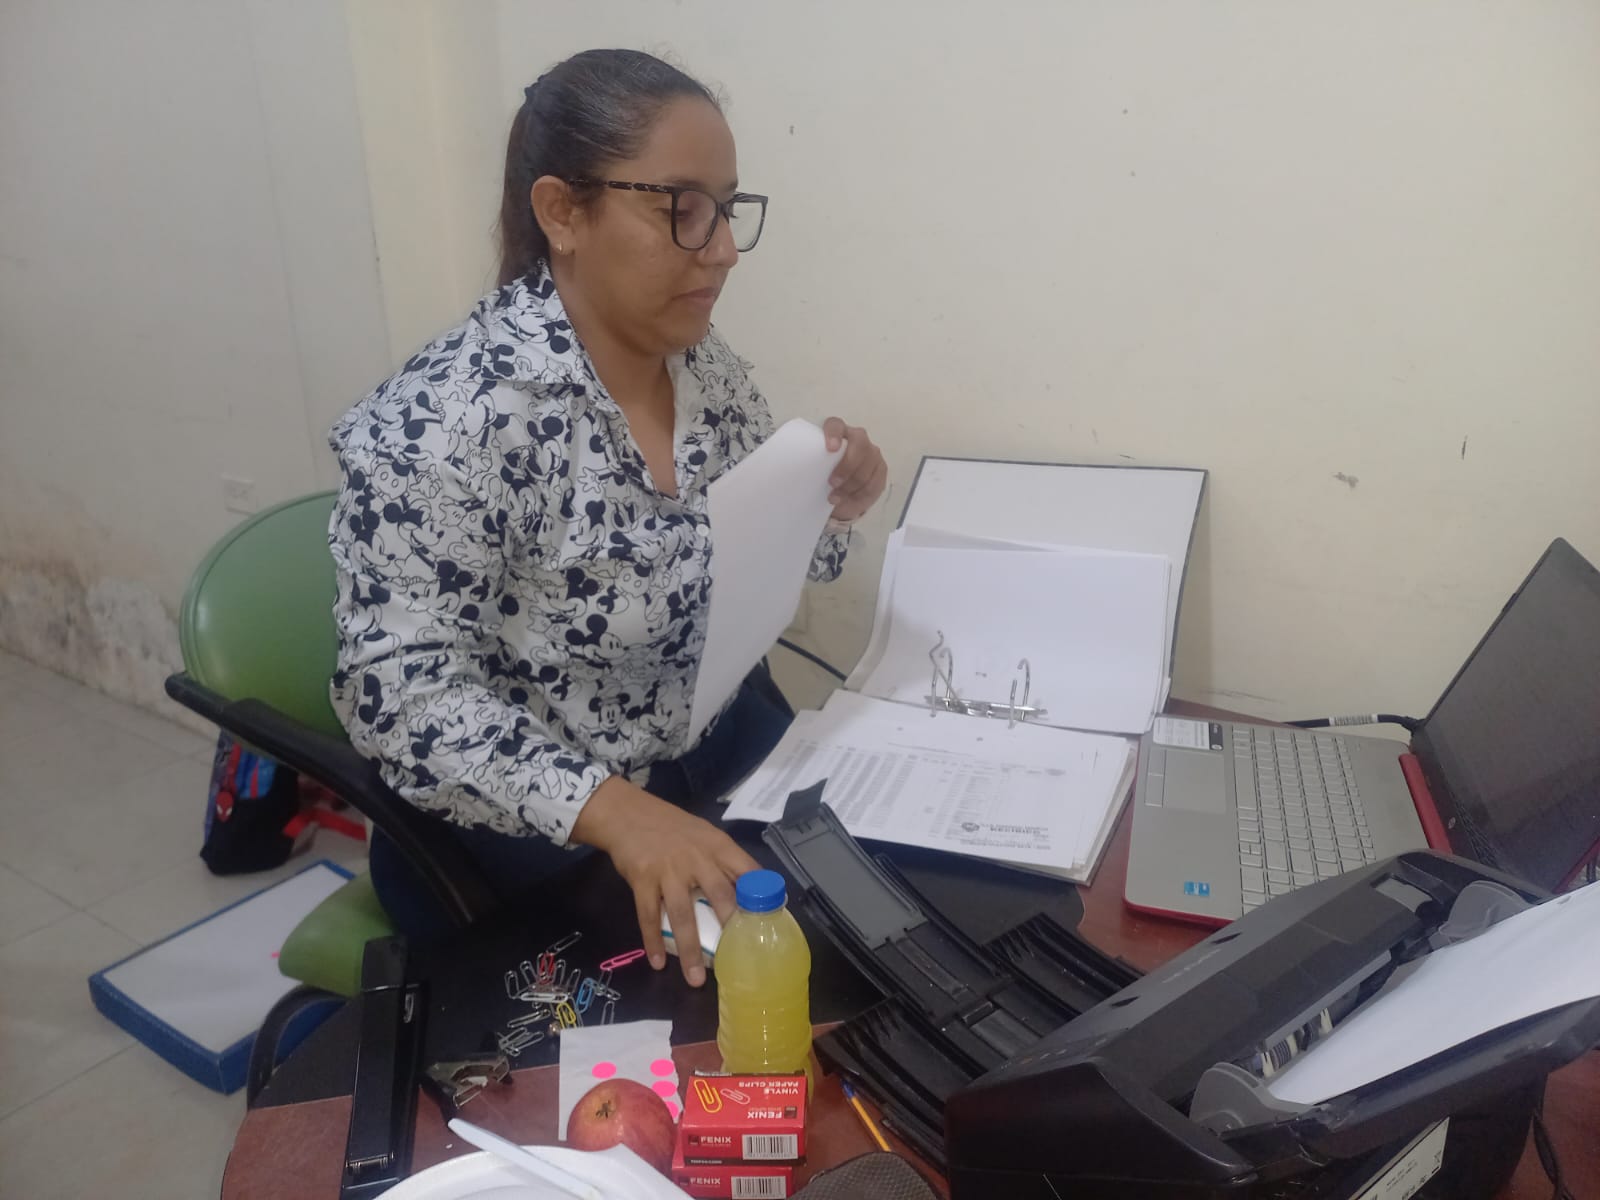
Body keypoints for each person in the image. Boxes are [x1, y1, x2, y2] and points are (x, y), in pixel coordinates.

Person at [326, 49, 887, 987]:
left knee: (883, 930)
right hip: (536, 829)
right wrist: (614, 811)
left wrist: (827, 505)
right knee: (715, 1018)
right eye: (683, 207)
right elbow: (400, 699)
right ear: (562, 213)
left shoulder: (702, 367)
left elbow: (764, 553)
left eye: (727, 208)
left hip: (707, 749)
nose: (722, 248)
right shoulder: (446, 423)